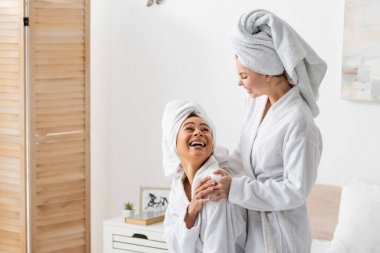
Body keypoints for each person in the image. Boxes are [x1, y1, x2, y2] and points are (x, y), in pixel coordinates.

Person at [208, 9, 328, 253]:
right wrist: (222, 171)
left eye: (244, 75)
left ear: (268, 71)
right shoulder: (256, 102)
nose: (239, 83)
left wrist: (236, 188)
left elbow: (296, 190)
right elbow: (244, 153)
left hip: (282, 235)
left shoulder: (299, 123)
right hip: (251, 223)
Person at [161, 99, 247, 253]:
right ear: (174, 142)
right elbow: (172, 242)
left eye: (205, 129)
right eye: (189, 128)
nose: (198, 132)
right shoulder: (177, 185)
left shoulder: (214, 182)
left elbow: (219, 247)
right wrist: (190, 212)